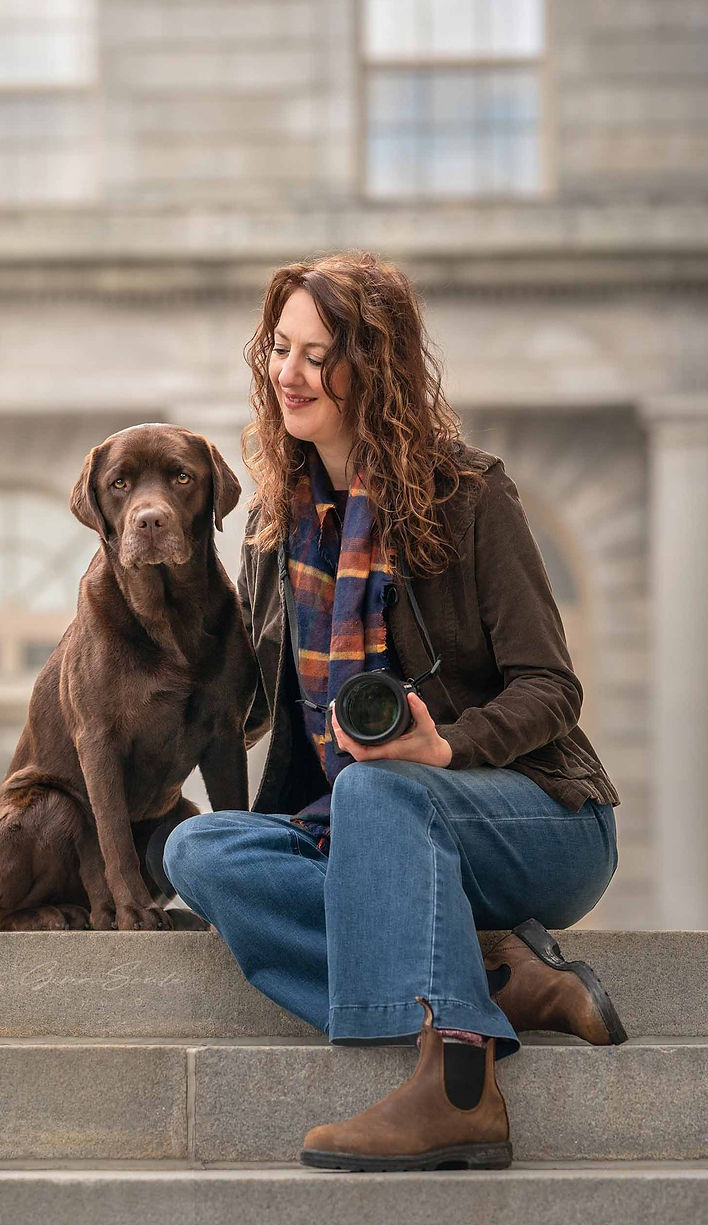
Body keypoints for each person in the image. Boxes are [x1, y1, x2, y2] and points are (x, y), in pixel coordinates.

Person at [161, 251, 624, 1173]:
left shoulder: (469, 496)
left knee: (382, 791)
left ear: (373, 366)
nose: (289, 375)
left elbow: (552, 686)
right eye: (278, 350)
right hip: (360, 830)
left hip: (538, 818)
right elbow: (261, 714)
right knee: (198, 850)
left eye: (318, 354)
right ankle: (498, 975)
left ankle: (459, 1084)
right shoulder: (274, 531)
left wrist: (446, 746)